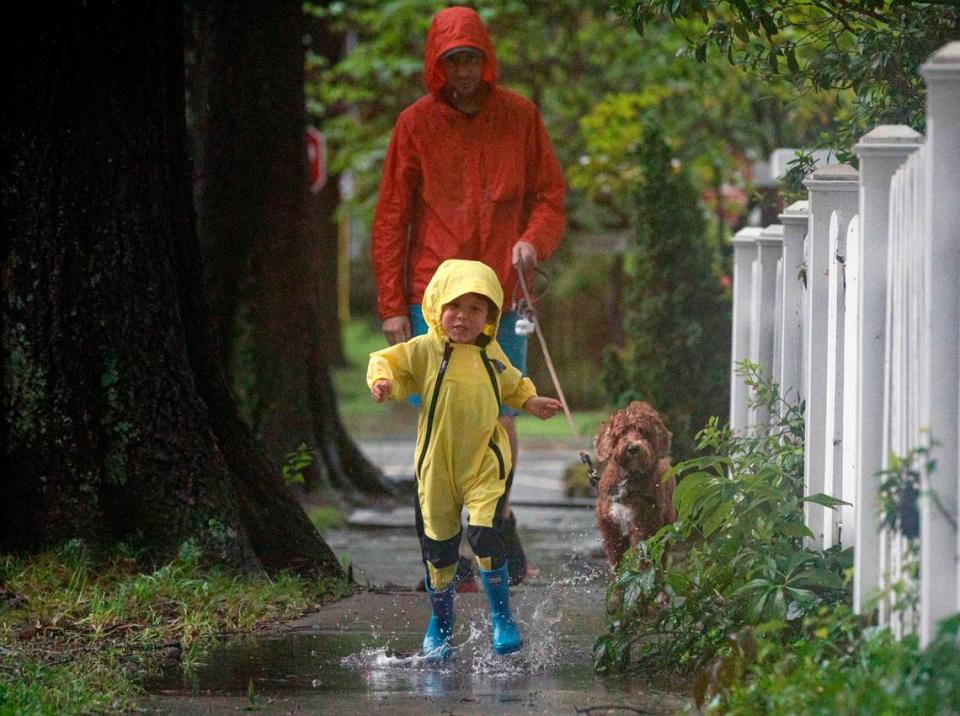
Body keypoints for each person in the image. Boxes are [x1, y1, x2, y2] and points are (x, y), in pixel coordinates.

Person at [371, 5, 566, 587]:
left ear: (486, 60)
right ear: (437, 66)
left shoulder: (520, 117)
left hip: (502, 295)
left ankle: (497, 525)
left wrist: (533, 243)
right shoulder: (414, 124)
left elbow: (550, 197)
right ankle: (441, 540)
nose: (461, 72)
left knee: (501, 412)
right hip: (432, 298)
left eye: (470, 59)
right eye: (451, 61)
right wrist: (389, 307)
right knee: (439, 415)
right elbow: (391, 218)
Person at [368, 259, 561, 660]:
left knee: (485, 532)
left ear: (489, 315)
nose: (463, 317)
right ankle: (440, 621)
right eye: (455, 306)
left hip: (482, 464)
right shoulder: (425, 350)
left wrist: (531, 401)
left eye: (477, 309)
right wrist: (382, 382)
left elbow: (513, 384)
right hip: (437, 467)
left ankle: (502, 616)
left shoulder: (491, 353)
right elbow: (387, 361)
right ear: (438, 306)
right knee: (439, 548)